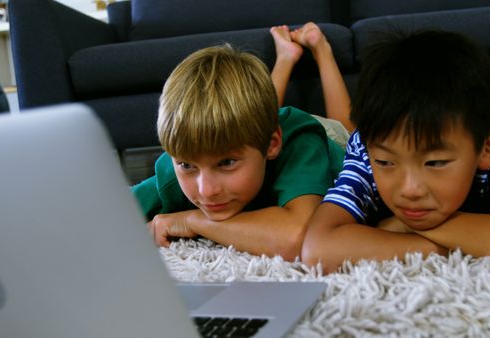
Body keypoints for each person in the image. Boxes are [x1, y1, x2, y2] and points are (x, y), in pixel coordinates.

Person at [301, 29, 490, 273]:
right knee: (343, 128)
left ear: (488, 148)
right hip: (335, 138)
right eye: (386, 162)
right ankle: (322, 52)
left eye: (434, 162)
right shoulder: (365, 149)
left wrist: (405, 226)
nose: (409, 190)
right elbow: (319, 249)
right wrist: (466, 247)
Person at [132, 23, 349, 260]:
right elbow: (104, 213)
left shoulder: (301, 144)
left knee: (347, 129)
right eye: (187, 165)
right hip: (262, 133)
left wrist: (191, 219)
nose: (206, 191)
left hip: (331, 139)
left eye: (226, 162)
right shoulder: (185, 159)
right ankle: (286, 56)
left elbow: (299, 238)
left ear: (273, 145)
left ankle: (321, 50)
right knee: (249, 124)